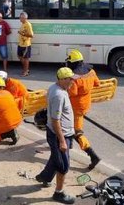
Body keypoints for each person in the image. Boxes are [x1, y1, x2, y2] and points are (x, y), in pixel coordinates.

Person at [35, 67, 76, 204]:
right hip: (59, 135)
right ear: (62, 79)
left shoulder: (55, 88)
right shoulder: (59, 95)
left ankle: (45, 177)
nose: (72, 81)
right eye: (70, 79)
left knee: (56, 157)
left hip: (63, 133)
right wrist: (62, 141)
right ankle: (59, 193)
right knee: (63, 166)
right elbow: (55, 120)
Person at [65, 49, 102, 170]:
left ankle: (93, 155)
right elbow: (97, 84)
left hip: (75, 109)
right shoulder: (91, 71)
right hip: (86, 105)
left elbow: (72, 92)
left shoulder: (74, 78)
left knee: (77, 133)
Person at [17, 12, 34, 77]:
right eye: (20, 17)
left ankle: (25, 71)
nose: (20, 19)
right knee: (19, 57)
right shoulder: (22, 24)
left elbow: (31, 35)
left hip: (26, 44)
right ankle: (26, 69)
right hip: (21, 44)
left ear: (25, 18)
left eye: (21, 18)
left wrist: (22, 34)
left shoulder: (28, 24)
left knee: (26, 58)